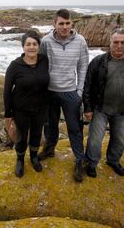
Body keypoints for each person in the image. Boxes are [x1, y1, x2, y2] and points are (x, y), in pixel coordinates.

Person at [82, 28, 124, 178]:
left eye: (123, 42)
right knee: (95, 141)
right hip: (100, 109)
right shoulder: (98, 62)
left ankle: (113, 161)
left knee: (119, 140)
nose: (119, 45)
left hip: (123, 110)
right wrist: (88, 108)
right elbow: (88, 86)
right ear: (110, 43)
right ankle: (91, 163)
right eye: (116, 42)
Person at [38, 9, 89, 182]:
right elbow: (41, 65)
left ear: (71, 24)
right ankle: (49, 149)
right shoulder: (45, 41)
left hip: (70, 92)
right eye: (61, 23)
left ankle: (79, 159)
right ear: (55, 24)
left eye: (67, 23)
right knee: (49, 124)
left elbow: (83, 67)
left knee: (75, 128)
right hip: (50, 92)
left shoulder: (80, 41)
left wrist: (79, 91)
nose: (65, 27)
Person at [4, 30, 50, 178]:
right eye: (28, 44)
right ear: (23, 47)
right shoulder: (15, 65)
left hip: (41, 107)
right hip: (21, 109)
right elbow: (7, 90)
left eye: (35, 44)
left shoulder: (44, 60)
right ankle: (20, 159)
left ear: (39, 46)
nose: (31, 47)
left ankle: (34, 157)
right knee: (22, 136)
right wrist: (8, 113)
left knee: (37, 134)